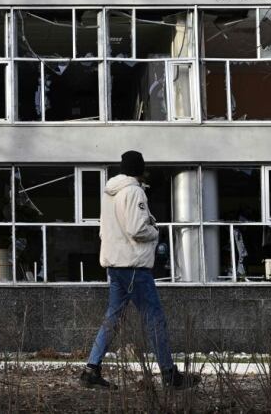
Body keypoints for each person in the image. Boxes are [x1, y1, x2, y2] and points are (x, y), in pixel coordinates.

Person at [80, 151, 201, 391]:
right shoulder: (135, 191)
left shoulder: (110, 193)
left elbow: (106, 230)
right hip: (134, 266)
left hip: (115, 265)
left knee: (113, 318)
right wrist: (155, 231)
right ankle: (169, 375)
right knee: (155, 318)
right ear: (139, 169)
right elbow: (137, 229)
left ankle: (91, 369)